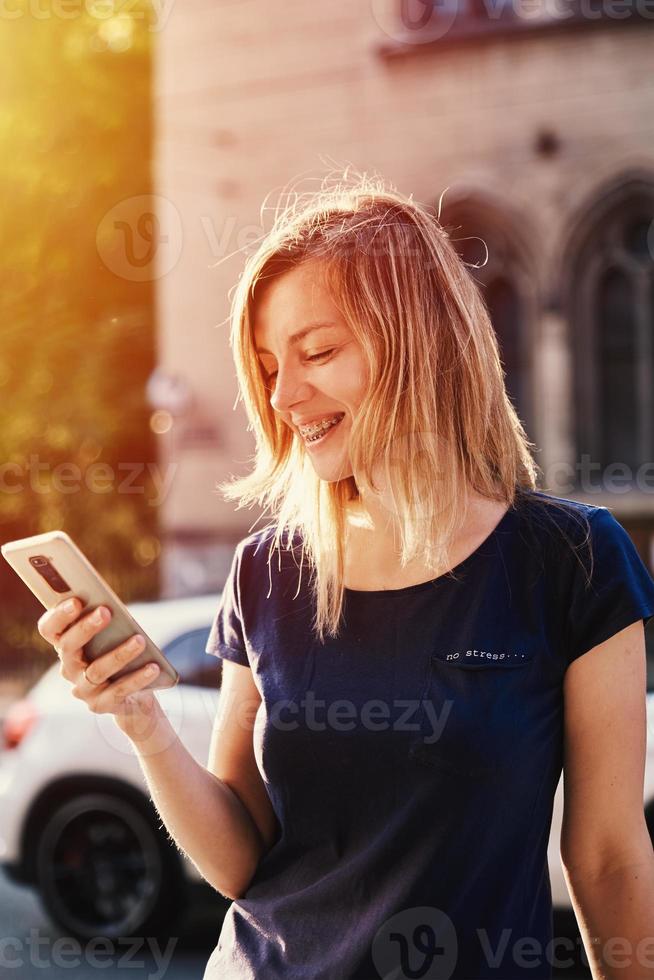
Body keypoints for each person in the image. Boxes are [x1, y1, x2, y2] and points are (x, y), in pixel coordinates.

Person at [39, 173, 654, 979]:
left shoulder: (573, 561)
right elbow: (239, 862)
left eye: (318, 352)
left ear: (418, 338)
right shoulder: (265, 571)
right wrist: (143, 722)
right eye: (266, 367)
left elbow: (607, 858)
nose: (285, 396)